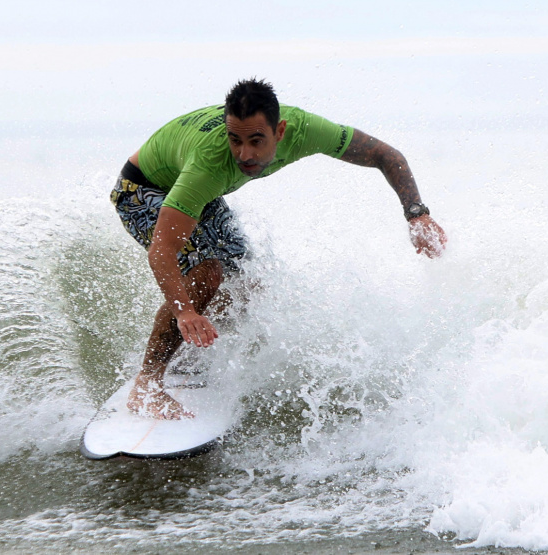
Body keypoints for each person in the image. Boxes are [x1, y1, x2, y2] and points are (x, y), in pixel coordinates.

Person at [111, 78, 447, 420]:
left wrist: (417, 215)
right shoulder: (208, 164)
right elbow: (162, 251)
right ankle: (147, 383)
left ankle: (189, 354)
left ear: (281, 131)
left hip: (197, 191)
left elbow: (384, 155)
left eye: (256, 141)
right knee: (206, 274)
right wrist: (184, 311)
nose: (244, 154)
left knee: (250, 283)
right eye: (235, 140)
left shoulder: (306, 129)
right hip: (143, 189)